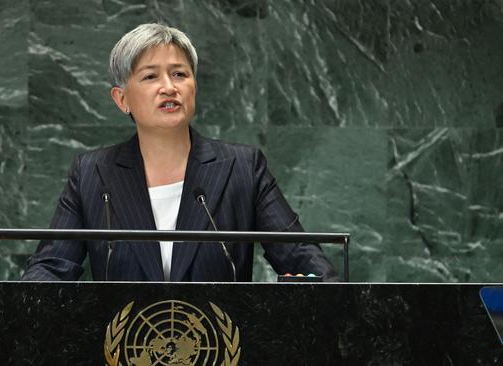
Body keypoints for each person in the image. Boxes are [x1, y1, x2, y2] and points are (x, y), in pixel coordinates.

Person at [22, 23, 337, 282]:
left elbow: (301, 256)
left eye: (179, 74)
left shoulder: (242, 167)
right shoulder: (92, 173)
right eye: (150, 76)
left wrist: (322, 285)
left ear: (194, 87)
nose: (169, 87)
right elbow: (51, 266)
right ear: (122, 99)